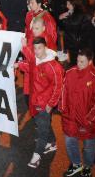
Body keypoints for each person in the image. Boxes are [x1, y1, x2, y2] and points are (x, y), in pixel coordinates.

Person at [60, 48, 95, 177]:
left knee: (88, 146)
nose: (79, 64)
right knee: (70, 142)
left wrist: (90, 119)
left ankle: (87, 166)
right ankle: (76, 164)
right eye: (77, 61)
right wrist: (63, 109)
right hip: (70, 118)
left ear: (90, 61)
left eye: (82, 62)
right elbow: (63, 91)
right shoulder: (70, 73)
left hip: (87, 121)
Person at [16, 37, 64, 168]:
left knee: (42, 131)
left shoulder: (54, 67)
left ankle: (36, 156)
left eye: (40, 48)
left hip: (44, 104)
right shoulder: (35, 60)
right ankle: (52, 142)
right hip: (34, 101)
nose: (37, 51)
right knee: (42, 123)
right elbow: (30, 66)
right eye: (35, 48)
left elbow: (58, 87)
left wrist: (50, 104)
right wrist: (18, 63)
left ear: (45, 47)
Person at [59, 0, 88, 67]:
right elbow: (63, 28)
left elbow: (73, 24)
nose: (67, 6)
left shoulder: (80, 14)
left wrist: (65, 19)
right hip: (70, 43)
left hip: (76, 44)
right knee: (71, 63)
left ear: (74, 4)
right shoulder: (69, 13)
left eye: (69, 4)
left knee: (76, 63)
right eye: (67, 4)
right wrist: (61, 19)